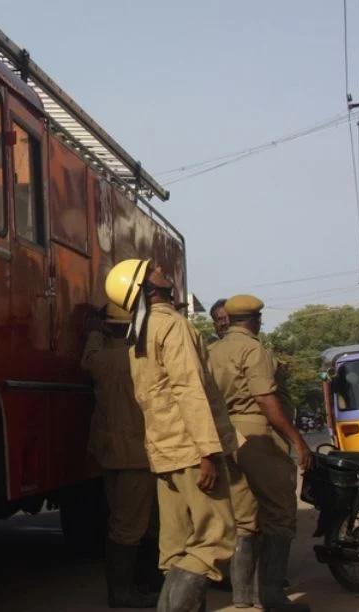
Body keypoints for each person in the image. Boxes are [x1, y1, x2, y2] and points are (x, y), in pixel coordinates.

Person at [105, 259, 237, 612]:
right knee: (213, 539)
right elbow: (188, 388)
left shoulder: (139, 334)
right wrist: (208, 451)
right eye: (154, 272)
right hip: (193, 450)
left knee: (177, 546)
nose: (162, 270)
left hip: (165, 453)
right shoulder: (173, 326)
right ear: (149, 290)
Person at [207, 295, 311, 612]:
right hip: (257, 436)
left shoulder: (211, 351)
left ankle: (241, 596)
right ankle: (273, 597)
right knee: (280, 514)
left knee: (243, 519)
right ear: (256, 319)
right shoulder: (254, 350)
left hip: (225, 435)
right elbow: (265, 399)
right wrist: (297, 440)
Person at [83, 303, 160, 608]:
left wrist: (93, 332)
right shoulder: (140, 359)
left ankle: (132, 586)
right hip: (136, 455)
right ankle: (124, 592)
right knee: (132, 526)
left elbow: (88, 358)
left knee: (121, 519)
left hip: (110, 453)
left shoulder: (99, 358)